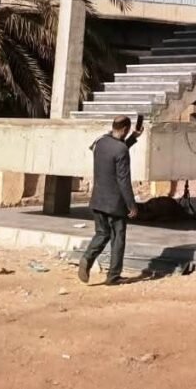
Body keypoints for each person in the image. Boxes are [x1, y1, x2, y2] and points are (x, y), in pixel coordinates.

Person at [77, 115, 142, 286]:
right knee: (118, 237)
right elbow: (123, 179)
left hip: (98, 199)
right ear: (126, 129)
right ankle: (113, 276)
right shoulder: (121, 149)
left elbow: (114, 152)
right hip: (115, 203)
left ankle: (86, 259)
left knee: (102, 233)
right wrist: (131, 205)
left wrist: (133, 138)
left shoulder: (100, 142)